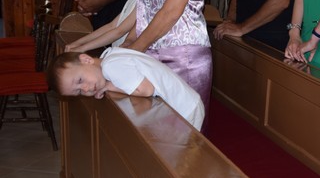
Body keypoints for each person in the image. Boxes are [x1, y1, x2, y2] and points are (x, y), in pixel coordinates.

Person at [47, 48, 205, 131]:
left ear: (86, 59)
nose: (86, 88)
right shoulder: (110, 56)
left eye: (80, 80)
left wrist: (109, 86)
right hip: (183, 103)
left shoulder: (110, 66)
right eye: (79, 91)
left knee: (182, 158)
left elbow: (146, 90)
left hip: (185, 108)